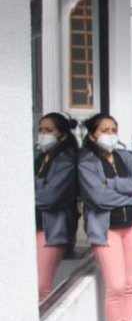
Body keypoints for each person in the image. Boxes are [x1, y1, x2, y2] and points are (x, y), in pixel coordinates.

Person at [77, 113, 132, 321]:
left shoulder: (126, 157)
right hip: (106, 229)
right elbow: (99, 198)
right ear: (92, 135)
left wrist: (113, 185)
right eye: (104, 130)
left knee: (130, 285)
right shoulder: (87, 162)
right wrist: (130, 192)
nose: (109, 135)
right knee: (116, 285)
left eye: (113, 130)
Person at [34, 112, 80, 301]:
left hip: (53, 230)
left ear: (61, 134)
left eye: (49, 130)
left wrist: (32, 186)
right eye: (41, 130)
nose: (43, 134)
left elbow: (49, 196)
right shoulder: (40, 157)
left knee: (41, 285)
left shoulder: (66, 160)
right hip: (37, 224)